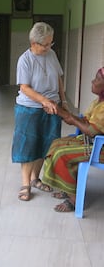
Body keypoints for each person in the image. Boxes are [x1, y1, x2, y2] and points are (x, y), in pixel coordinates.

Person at [11, 22, 68, 202]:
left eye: (51, 43)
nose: (49, 47)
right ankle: (25, 183)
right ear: (34, 42)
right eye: (46, 44)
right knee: (28, 146)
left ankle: (36, 179)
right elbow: (25, 88)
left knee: (46, 145)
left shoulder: (51, 54)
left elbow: (58, 78)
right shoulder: (25, 60)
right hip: (29, 108)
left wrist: (63, 101)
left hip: (52, 107)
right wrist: (43, 100)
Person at [42, 68, 104, 212]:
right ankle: (68, 187)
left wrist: (67, 115)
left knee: (62, 154)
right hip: (93, 143)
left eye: (97, 79)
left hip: (99, 148)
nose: (92, 81)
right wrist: (60, 111)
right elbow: (84, 121)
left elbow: (91, 130)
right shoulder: (98, 102)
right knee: (56, 143)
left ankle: (74, 200)